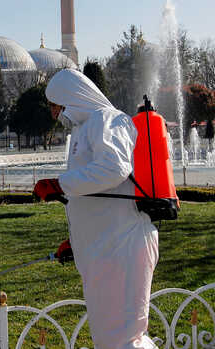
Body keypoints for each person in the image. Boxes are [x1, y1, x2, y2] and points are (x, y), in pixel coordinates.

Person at [34, 69, 159, 349]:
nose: (54, 112)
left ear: (72, 98)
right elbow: (96, 198)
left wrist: (59, 184)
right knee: (113, 338)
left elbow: (114, 168)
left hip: (123, 247)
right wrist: (78, 243)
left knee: (123, 339)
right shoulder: (85, 128)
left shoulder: (107, 119)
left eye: (56, 104)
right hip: (105, 250)